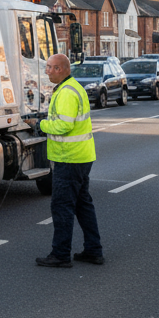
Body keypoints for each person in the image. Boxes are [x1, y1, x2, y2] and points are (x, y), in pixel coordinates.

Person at [36, 53, 104, 268]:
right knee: (83, 204)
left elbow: (63, 126)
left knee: (62, 206)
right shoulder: (73, 87)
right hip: (81, 157)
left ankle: (60, 254)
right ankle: (93, 250)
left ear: (61, 69)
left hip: (69, 158)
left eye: (49, 67)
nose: (46, 71)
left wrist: (41, 125)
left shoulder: (66, 92)